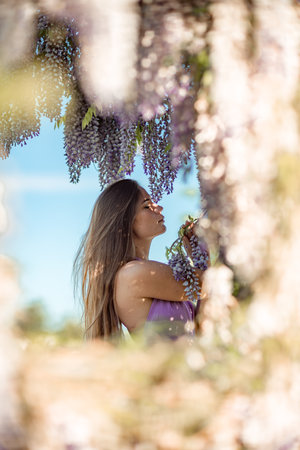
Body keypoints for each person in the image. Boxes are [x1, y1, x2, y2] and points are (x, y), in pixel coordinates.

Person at [74, 179, 207, 341]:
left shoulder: (138, 272)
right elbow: (210, 284)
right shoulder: (133, 274)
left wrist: (199, 257)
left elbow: (200, 330)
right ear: (126, 220)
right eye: (146, 206)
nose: (159, 207)